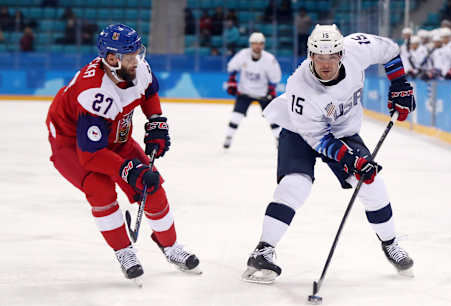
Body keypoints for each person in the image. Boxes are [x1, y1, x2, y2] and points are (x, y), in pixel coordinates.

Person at [242, 24, 416, 284]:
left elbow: (390, 50)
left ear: (341, 54)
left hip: (344, 130)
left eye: (331, 57)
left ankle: (390, 244)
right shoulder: (301, 88)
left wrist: (399, 84)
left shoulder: (356, 48)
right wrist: (352, 160)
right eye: (319, 57)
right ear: (310, 55)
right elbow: (319, 139)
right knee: (295, 184)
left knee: (371, 184)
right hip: (299, 131)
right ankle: (263, 250)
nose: (325, 64)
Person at [45, 24, 201, 283]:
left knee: (152, 187)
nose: (136, 61)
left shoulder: (136, 69)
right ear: (111, 59)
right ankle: (124, 251)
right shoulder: (94, 92)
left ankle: (171, 247)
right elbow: (91, 155)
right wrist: (130, 171)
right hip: (72, 144)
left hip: (113, 133)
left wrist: (155, 123)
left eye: (137, 53)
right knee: (100, 188)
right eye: (130, 56)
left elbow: (149, 93)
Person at [223, 32, 282, 149]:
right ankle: (228, 138)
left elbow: (275, 77)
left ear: (263, 45)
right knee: (236, 116)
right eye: (255, 43)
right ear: (251, 44)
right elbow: (232, 68)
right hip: (244, 92)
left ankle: (280, 140)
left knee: (273, 118)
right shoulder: (242, 55)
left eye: (260, 44)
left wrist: (271, 91)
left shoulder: (269, 59)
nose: (257, 46)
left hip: (263, 94)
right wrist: (231, 81)